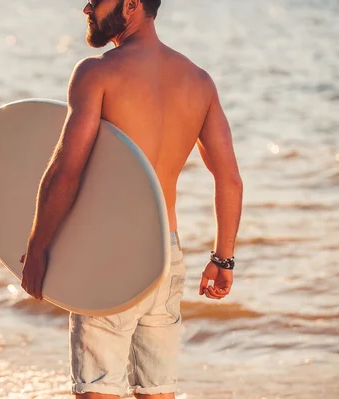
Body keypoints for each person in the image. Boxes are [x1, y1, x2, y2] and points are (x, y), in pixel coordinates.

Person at [19, 0, 243, 398]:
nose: (86, 7)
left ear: (132, 4)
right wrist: (222, 258)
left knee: (98, 389)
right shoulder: (199, 81)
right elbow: (229, 180)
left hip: (111, 254)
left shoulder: (98, 72)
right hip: (165, 255)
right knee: (158, 391)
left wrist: (37, 246)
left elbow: (66, 171)